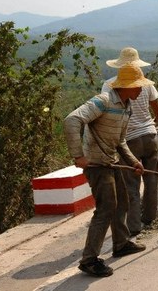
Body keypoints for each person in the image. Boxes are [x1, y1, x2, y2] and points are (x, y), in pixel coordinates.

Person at [64, 64, 152, 277]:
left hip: (110, 162)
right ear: (127, 87)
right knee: (105, 209)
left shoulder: (125, 106)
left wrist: (133, 162)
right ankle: (89, 260)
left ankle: (121, 243)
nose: (141, 91)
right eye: (138, 87)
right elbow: (72, 120)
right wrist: (78, 156)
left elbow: (120, 140)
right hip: (96, 165)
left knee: (122, 201)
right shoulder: (103, 101)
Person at [102, 47, 158, 237]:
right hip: (151, 136)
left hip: (129, 140)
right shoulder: (145, 84)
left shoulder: (109, 85)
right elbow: (157, 110)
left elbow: (106, 111)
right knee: (152, 179)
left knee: (131, 185)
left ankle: (135, 225)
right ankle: (151, 216)